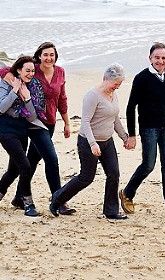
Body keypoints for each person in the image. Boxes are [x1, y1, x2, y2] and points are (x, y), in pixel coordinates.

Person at [49, 63, 134, 220]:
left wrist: (125, 137)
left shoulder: (113, 95)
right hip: (88, 142)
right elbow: (85, 122)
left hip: (107, 141)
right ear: (106, 79)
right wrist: (93, 144)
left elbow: (114, 118)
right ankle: (57, 199)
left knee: (113, 174)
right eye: (116, 83)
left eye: (120, 84)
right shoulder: (92, 96)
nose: (118, 87)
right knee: (86, 177)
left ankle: (111, 210)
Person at [0, 42, 74, 215]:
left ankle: (18, 197)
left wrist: (67, 123)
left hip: (50, 122)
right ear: (39, 56)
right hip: (33, 123)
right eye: (45, 54)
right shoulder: (33, 69)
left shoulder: (60, 72)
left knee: (31, 161)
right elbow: (4, 71)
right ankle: (59, 201)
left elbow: (62, 98)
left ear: (55, 57)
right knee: (52, 160)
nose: (49, 58)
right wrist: (17, 84)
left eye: (52, 55)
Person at [119, 42, 165, 218]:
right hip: (149, 128)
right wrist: (133, 134)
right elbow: (131, 107)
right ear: (150, 58)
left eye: (163, 58)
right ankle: (127, 193)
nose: (160, 61)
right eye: (157, 58)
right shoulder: (141, 78)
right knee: (148, 165)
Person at [0, 56, 47, 217]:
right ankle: (28, 204)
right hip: (6, 129)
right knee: (25, 166)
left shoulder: (33, 87)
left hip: (22, 130)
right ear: (19, 70)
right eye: (27, 70)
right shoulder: (6, 83)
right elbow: (2, 107)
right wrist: (14, 90)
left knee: (13, 169)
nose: (31, 74)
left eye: (33, 71)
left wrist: (28, 97)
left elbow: (32, 116)